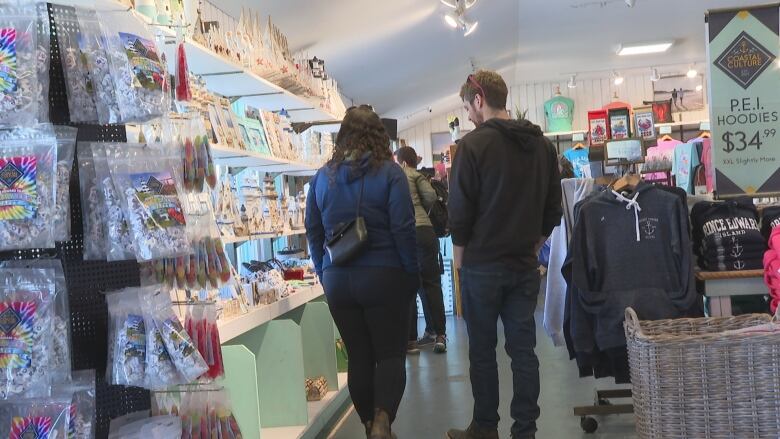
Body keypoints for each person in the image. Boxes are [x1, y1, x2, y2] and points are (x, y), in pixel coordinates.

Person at [446, 71, 562, 439]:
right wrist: (532, 245)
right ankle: (524, 431)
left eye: (467, 107)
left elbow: (460, 213)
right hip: (524, 266)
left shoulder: (472, 147)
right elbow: (553, 209)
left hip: (481, 266)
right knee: (523, 351)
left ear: (479, 101)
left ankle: (485, 428)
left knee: (482, 352)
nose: (468, 116)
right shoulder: (542, 146)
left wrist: (460, 260)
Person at [305, 105, 419, 438]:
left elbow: (312, 231)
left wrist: (324, 270)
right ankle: (383, 421)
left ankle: (369, 424)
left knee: (359, 356)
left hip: (339, 280)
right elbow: (403, 229)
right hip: (384, 276)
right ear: (379, 137)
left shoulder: (322, 178)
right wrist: (410, 275)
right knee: (390, 354)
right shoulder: (391, 174)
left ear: (343, 136)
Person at [394, 146, 448, 354]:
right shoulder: (419, 176)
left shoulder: (398, 174)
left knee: (409, 285)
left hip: (406, 232)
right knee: (432, 284)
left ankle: (411, 341)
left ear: (403, 163)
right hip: (426, 232)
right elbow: (432, 197)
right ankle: (440, 335)